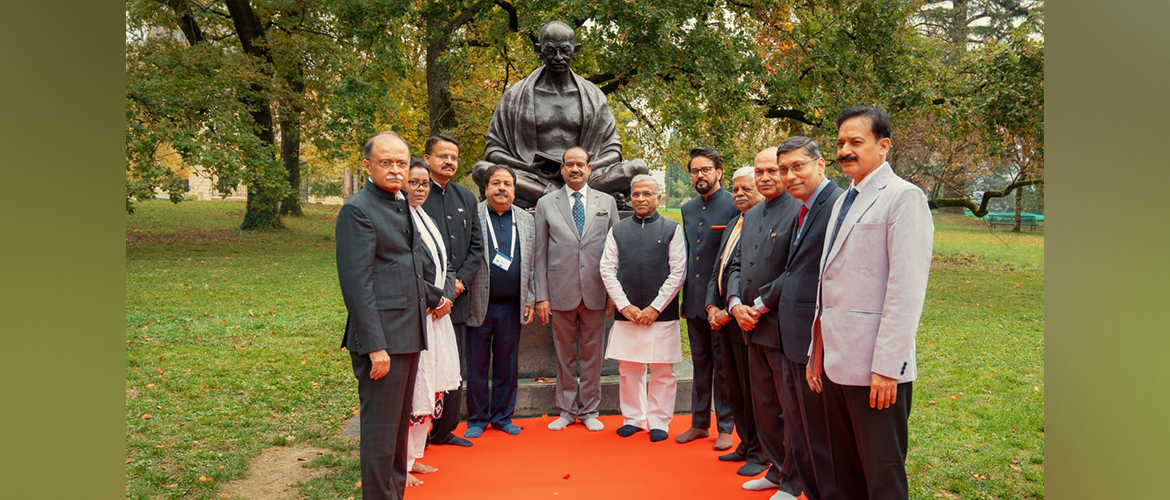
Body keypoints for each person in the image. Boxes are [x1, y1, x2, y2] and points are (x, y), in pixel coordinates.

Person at [807, 106, 933, 500]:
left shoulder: (903, 198)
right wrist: (817, 350)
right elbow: (830, 282)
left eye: (855, 142)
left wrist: (886, 368)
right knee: (845, 473)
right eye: (841, 142)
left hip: (876, 370)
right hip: (835, 362)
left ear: (884, 146)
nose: (845, 149)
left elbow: (906, 290)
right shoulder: (845, 200)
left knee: (881, 477)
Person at [335, 131, 447, 500]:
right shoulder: (358, 209)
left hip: (409, 333)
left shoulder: (399, 203)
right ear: (367, 165)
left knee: (398, 431)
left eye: (402, 162)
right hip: (382, 340)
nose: (396, 169)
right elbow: (357, 284)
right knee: (381, 434)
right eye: (386, 162)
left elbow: (407, 265)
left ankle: (394, 494)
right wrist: (375, 346)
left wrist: (435, 297)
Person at [471, 20, 647, 209]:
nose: (558, 57)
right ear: (539, 50)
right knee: (482, 170)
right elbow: (493, 150)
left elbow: (613, 150)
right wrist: (527, 167)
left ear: (575, 50)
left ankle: (550, 199)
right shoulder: (514, 96)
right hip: (534, 177)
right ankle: (564, 198)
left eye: (564, 50)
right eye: (550, 50)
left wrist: (583, 168)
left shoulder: (594, 97)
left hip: (586, 177)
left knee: (638, 168)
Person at [726, 147, 803, 500]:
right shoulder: (752, 214)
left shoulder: (799, 212)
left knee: (788, 407)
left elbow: (795, 269)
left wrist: (757, 305)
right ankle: (774, 469)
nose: (766, 177)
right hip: (748, 325)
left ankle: (793, 479)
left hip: (779, 325)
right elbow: (736, 264)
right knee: (764, 405)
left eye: (773, 170)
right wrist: (734, 302)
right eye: (760, 172)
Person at [771, 136, 844, 500]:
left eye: (797, 166)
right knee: (800, 430)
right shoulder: (802, 208)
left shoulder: (837, 204)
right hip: (791, 336)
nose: (789, 175)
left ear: (821, 164)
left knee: (820, 435)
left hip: (818, 339)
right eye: (784, 169)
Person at [533, 146, 620, 432]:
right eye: (569, 164)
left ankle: (590, 409)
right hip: (560, 292)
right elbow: (540, 254)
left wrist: (613, 294)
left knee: (592, 354)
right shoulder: (547, 204)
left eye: (580, 164)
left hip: (596, 291)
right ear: (562, 169)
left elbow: (615, 252)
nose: (575, 169)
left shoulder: (606, 202)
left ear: (589, 168)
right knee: (564, 353)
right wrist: (541, 296)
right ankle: (567, 410)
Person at [599, 175, 686, 443]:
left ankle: (659, 420)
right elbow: (606, 268)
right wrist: (624, 306)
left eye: (646, 194)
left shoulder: (672, 229)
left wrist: (655, 308)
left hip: (661, 314)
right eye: (635, 194)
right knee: (629, 370)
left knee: (662, 370)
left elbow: (678, 271)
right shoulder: (618, 230)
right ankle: (634, 418)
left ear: (658, 198)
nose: (640, 199)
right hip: (629, 314)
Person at [463, 165, 537, 438]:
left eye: (507, 183)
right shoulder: (474, 215)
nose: (502, 188)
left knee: (507, 363)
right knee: (477, 364)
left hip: (511, 305)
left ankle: (503, 416)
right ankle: (478, 418)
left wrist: (530, 298)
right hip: (478, 303)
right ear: (486, 188)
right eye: (496, 183)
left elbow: (533, 263)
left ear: (515, 190)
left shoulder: (527, 220)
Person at [420, 134, 484, 449]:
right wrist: (436, 292)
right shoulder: (415, 196)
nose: (449, 162)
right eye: (443, 156)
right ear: (428, 158)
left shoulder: (466, 198)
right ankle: (420, 430)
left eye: (454, 157)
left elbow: (476, 246)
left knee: (452, 364)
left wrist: (459, 284)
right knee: (425, 365)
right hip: (424, 299)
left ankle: (445, 430)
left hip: (457, 298)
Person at [705, 166, 769, 477]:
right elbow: (721, 268)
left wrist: (731, 310)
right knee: (734, 389)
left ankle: (760, 451)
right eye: (736, 189)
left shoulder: (763, 224)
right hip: (723, 319)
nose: (740, 194)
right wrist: (711, 307)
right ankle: (745, 443)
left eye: (747, 188)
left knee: (754, 389)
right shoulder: (734, 223)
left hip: (747, 320)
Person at [401, 164, 461, 487]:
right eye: (414, 183)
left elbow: (447, 263)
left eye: (425, 183)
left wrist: (446, 297)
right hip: (418, 316)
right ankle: (402, 463)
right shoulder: (401, 218)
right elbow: (409, 271)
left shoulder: (428, 219)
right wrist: (436, 300)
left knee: (431, 387)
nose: (421, 189)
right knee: (414, 392)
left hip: (438, 314)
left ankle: (415, 455)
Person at [677, 147, 738, 450]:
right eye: (694, 171)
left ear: (719, 172)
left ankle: (726, 426)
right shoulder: (687, 209)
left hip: (722, 302)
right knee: (700, 364)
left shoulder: (733, 206)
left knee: (722, 365)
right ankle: (699, 423)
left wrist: (725, 303)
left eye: (705, 170)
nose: (699, 175)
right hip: (693, 300)